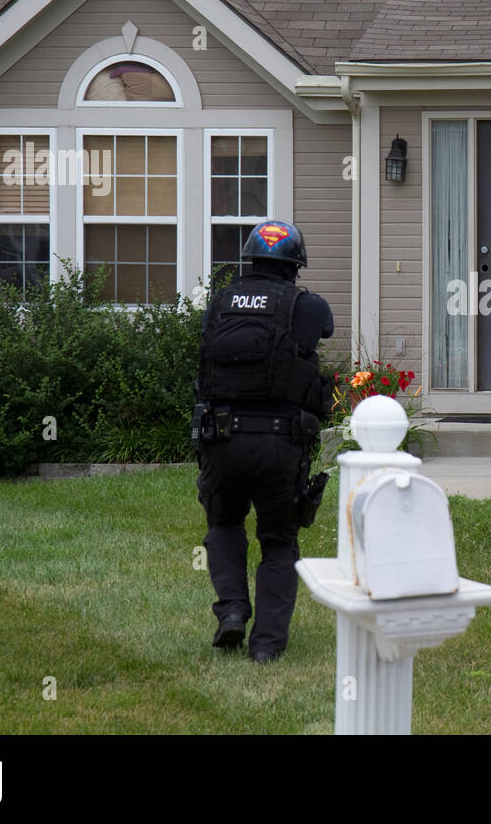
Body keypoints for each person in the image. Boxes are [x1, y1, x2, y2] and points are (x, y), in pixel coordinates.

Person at [194, 220, 333, 663]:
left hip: (222, 438)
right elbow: (324, 329)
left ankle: (232, 611)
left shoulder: (219, 302)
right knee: (277, 541)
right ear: (295, 265)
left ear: (250, 260)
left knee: (224, 525)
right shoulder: (306, 305)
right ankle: (267, 648)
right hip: (279, 443)